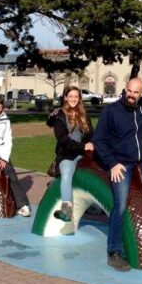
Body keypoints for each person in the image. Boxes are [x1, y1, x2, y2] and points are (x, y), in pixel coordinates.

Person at [93, 78, 142, 271]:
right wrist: (112, 163)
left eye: (136, 92)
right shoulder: (111, 111)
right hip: (121, 163)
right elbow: (98, 140)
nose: (131, 95)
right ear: (124, 90)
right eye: (128, 91)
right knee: (120, 205)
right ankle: (114, 252)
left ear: (141, 94)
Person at [47, 86, 95, 221]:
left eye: (76, 96)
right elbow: (63, 140)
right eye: (71, 96)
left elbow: (91, 134)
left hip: (83, 153)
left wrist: (91, 144)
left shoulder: (84, 115)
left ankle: (96, 206)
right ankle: (66, 210)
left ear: (79, 98)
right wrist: (83, 146)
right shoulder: (60, 116)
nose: (73, 99)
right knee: (67, 175)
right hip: (68, 153)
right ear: (66, 98)